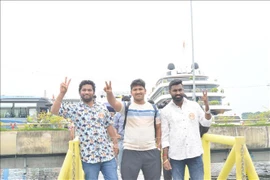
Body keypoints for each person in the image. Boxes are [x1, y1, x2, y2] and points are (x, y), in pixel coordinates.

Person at [51, 77, 119, 180]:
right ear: (80, 92)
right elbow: (54, 111)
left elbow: (108, 125)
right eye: (84, 90)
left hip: (107, 154)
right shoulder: (74, 108)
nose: (86, 92)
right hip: (88, 157)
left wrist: (115, 143)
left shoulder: (102, 107)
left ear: (93, 92)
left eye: (89, 90)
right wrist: (62, 94)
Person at [104, 79, 161, 180]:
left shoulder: (153, 108)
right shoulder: (127, 107)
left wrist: (159, 144)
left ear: (145, 91)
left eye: (140, 89)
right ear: (131, 92)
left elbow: (158, 126)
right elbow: (114, 103)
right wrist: (109, 93)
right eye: (135, 89)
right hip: (130, 151)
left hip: (151, 151)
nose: (138, 91)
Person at [161, 79, 212, 180]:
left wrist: (206, 105)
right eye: (175, 90)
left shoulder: (194, 106)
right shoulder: (165, 111)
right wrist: (165, 158)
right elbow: (165, 136)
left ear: (183, 90)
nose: (178, 93)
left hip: (195, 153)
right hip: (176, 156)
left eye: (180, 90)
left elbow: (206, 122)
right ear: (170, 92)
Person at [113, 95, 131, 169]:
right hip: (121, 139)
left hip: (131, 140)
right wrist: (116, 135)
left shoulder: (132, 112)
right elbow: (114, 126)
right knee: (120, 160)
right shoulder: (118, 114)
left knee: (131, 161)